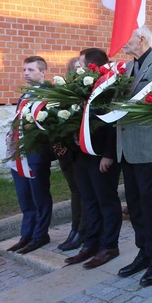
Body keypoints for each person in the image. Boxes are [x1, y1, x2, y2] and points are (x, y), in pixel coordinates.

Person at [115, 26, 152, 286]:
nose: (119, 41)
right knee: (135, 206)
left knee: (150, 207)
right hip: (127, 146)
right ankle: (144, 251)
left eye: (124, 37)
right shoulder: (126, 68)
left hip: (149, 147)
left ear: (141, 39)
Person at [64, 48, 122, 269]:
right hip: (82, 155)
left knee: (106, 201)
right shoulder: (81, 87)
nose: (77, 68)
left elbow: (113, 123)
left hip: (101, 156)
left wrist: (108, 154)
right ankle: (91, 242)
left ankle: (109, 245)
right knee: (89, 200)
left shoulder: (109, 87)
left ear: (92, 66)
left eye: (81, 64)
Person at [6, 56, 55, 254]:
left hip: (36, 154)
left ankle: (40, 235)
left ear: (43, 72)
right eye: (25, 70)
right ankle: (26, 234)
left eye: (31, 70)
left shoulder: (49, 94)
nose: (26, 73)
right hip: (20, 154)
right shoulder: (24, 95)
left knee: (39, 195)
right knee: (25, 197)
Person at [56, 57, 86, 252]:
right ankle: (75, 228)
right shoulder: (65, 93)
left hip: (81, 151)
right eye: (74, 68)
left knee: (84, 192)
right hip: (66, 151)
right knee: (75, 191)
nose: (78, 71)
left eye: (81, 68)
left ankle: (83, 231)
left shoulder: (85, 92)